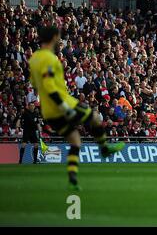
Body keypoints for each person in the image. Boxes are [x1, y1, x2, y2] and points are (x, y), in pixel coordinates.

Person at [29, 26, 125, 190]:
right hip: (61, 103)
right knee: (93, 117)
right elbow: (49, 86)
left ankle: (72, 179)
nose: (60, 40)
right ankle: (104, 148)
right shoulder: (48, 59)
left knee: (75, 141)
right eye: (58, 37)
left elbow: (34, 83)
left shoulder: (35, 58)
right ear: (53, 37)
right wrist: (64, 106)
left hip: (47, 110)